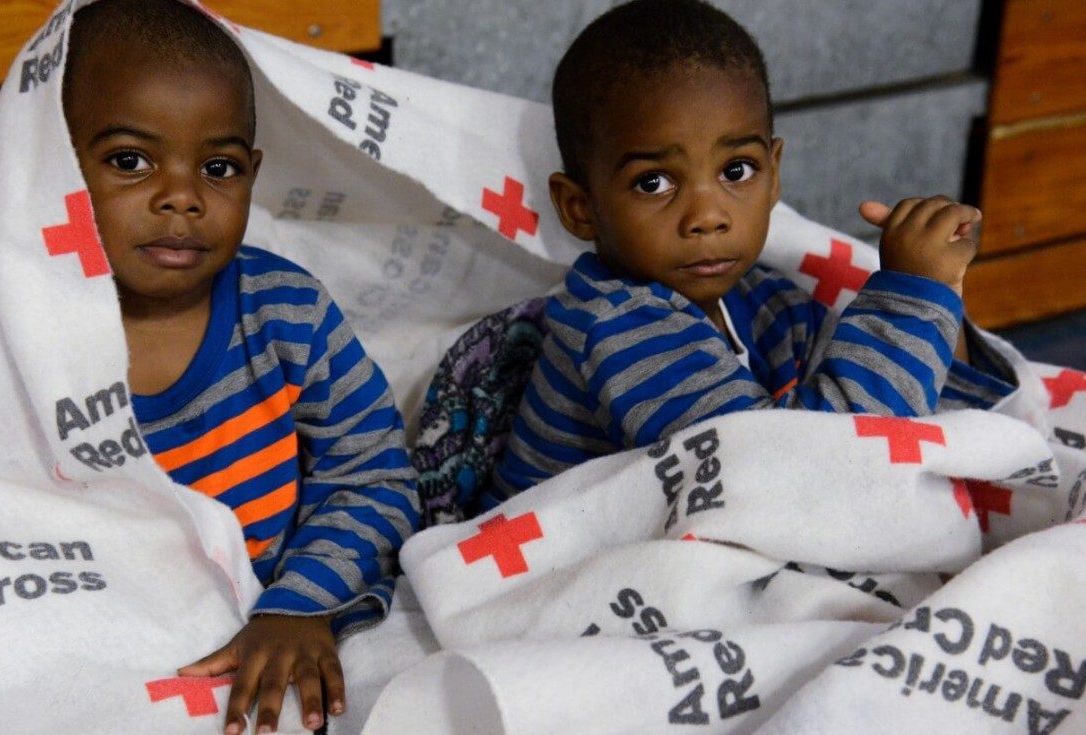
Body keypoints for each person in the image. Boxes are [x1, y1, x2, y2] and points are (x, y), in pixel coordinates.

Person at [490, 0, 1017, 502]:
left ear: (773, 175)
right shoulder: (616, 329)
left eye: (736, 171)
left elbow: (919, 413)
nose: (708, 216)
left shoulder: (765, 301)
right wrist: (909, 301)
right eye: (653, 183)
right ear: (579, 207)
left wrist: (942, 294)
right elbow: (807, 477)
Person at [60, 2, 420, 733]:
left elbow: (375, 477)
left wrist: (301, 602)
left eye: (218, 167)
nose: (183, 196)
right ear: (52, 164)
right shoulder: (28, 333)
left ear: (252, 174)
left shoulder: (284, 312)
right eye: (130, 161)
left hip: (284, 608)